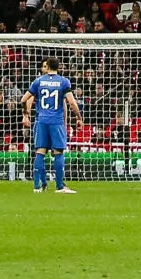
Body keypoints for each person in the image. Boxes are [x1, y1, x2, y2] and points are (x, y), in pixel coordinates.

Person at [21, 57, 82, 194]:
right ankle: (60, 187)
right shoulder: (63, 81)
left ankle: (37, 187)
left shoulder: (38, 81)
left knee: (40, 152)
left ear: (47, 66)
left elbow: (24, 99)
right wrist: (79, 118)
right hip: (56, 121)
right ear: (58, 67)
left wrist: (25, 113)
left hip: (41, 120)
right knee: (58, 152)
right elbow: (71, 103)